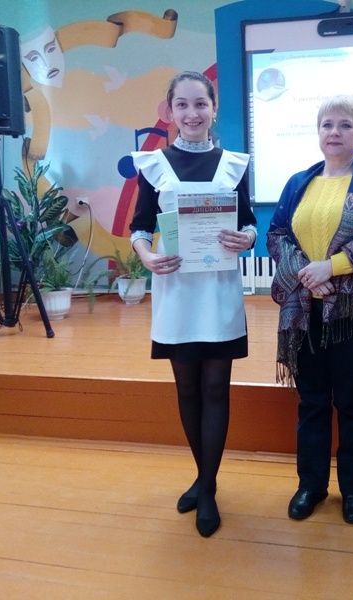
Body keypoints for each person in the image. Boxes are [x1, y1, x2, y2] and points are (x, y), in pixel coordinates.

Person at [129, 71, 257, 538]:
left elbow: (248, 223)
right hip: (176, 289)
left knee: (216, 387)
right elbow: (141, 226)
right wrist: (146, 256)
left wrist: (247, 238)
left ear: (213, 109)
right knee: (186, 388)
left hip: (218, 290)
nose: (191, 113)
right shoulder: (154, 165)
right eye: (181, 104)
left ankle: (207, 488)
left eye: (200, 103)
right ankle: (205, 482)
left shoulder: (233, 165)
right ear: (170, 111)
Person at [267, 95, 353, 526]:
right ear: (318, 132)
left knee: (351, 400)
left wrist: (333, 267)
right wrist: (307, 274)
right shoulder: (298, 182)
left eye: (345, 125)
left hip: (351, 311)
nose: (335, 132)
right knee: (311, 401)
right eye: (327, 124)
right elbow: (277, 236)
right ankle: (311, 486)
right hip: (303, 310)